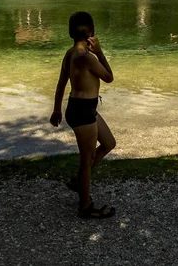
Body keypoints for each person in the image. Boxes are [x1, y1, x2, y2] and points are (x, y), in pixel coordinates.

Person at [50, 11, 117, 219]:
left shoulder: (70, 53)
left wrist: (56, 109)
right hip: (82, 111)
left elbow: (61, 83)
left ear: (71, 33)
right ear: (92, 33)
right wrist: (100, 52)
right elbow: (109, 77)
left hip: (81, 108)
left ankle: (79, 182)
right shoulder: (86, 57)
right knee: (86, 160)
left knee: (109, 143)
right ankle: (85, 205)